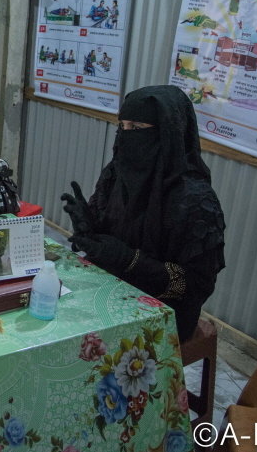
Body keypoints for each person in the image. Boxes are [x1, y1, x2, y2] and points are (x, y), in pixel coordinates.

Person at [60, 85, 225, 341]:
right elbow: (108, 240)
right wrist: (88, 227)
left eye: (136, 128)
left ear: (168, 134)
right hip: (111, 288)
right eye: (122, 127)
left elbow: (191, 285)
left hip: (165, 313)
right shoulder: (117, 174)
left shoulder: (195, 200)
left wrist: (130, 260)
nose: (126, 136)